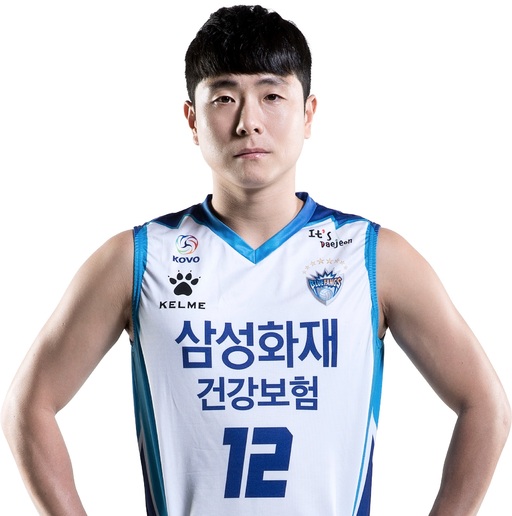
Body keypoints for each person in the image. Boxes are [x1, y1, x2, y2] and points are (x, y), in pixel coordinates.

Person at [2, 4, 510, 515]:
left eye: (272, 95)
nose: (249, 123)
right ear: (192, 119)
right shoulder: (137, 258)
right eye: (224, 98)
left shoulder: (373, 257)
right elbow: (28, 407)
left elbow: (486, 407)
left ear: (308, 113)